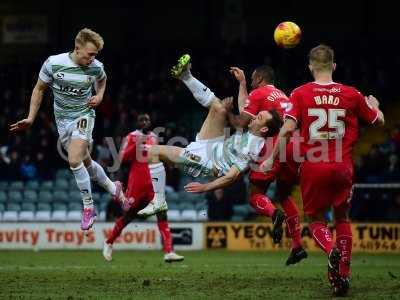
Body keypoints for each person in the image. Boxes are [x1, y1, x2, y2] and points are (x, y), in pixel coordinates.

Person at [262, 44, 384, 296]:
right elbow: (378, 120)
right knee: (342, 219)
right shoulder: (352, 94)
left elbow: (285, 129)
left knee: (316, 220)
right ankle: (344, 275)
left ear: (310, 67)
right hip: (342, 167)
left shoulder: (300, 93)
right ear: (334, 66)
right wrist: (376, 104)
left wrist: (270, 159)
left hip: (313, 166)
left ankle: (331, 251)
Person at [137, 55, 284, 243]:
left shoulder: (252, 147)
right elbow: (244, 107)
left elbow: (232, 176)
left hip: (207, 162)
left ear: (263, 128)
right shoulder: (253, 131)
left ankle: (158, 201)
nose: (254, 117)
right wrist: (242, 84)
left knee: (153, 151)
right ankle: (186, 76)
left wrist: (206, 187)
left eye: (259, 117)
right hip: (214, 146)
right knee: (219, 107)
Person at [10, 28, 124, 231]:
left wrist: (99, 96)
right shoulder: (53, 64)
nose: (93, 59)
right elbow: (39, 89)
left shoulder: (96, 67)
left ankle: (89, 207)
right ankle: (112, 187)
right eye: (90, 54)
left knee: (74, 160)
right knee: (86, 162)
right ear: (77, 48)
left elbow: (102, 80)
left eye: (96, 55)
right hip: (62, 121)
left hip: (84, 115)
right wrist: (30, 117)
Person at [227, 65, 306, 265]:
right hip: (297, 145)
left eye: (253, 79)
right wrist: (242, 83)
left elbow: (241, 121)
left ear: (260, 78)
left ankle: (273, 213)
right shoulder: (281, 95)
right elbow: (247, 107)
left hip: (275, 144)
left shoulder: (259, 93)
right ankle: (297, 246)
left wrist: (222, 111)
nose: (252, 82)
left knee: (254, 194)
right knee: (285, 194)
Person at [103, 113, 184, 263]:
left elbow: (159, 155)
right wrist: (137, 144)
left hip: (153, 184)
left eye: (147, 119)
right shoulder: (131, 137)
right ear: (137, 123)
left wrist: (170, 162)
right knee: (128, 216)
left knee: (162, 213)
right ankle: (108, 242)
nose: (145, 122)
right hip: (137, 184)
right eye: (142, 120)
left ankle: (169, 251)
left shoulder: (154, 137)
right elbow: (122, 158)